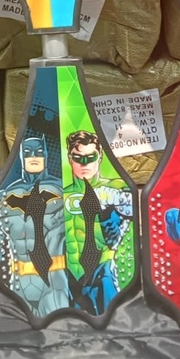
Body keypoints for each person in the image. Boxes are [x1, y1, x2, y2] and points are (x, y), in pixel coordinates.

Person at [0, 135, 68, 317]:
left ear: (46, 155)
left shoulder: (63, 191)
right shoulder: (5, 195)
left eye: (39, 152)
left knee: (58, 326)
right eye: (28, 153)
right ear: (21, 156)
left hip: (53, 280)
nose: (34, 157)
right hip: (19, 282)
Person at [62, 130, 134, 315]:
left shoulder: (116, 188)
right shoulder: (61, 194)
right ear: (70, 158)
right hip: (69, 277)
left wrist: (113, 204)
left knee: (114, 321)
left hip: (103, 272)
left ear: (100, 157)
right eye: (78, 158)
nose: (84, 163)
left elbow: (132, 209)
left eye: (90, 157)